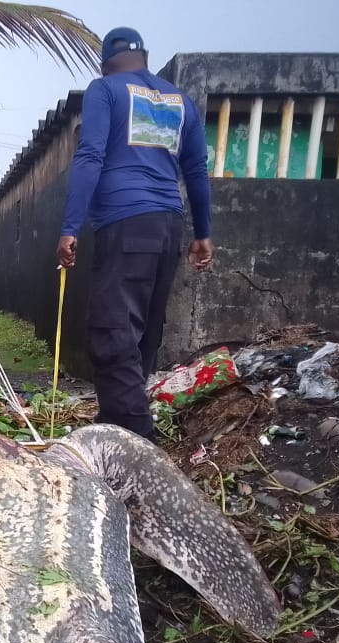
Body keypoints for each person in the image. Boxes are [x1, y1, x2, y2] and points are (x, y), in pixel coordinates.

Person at [55, 26, 213, 442]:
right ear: (144, 58)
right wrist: (203, 232)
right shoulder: (180, 101)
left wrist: (70, 227)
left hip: (125, 222)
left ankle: (140, 438)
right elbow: (196, 170)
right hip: (169, 226)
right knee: (142, 333)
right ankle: (115, 431)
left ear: (105, 64)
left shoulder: (105, 90)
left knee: (112, 332)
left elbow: (90, 154)